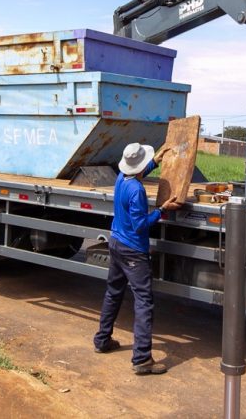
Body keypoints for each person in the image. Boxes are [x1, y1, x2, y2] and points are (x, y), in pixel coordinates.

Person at [93, 142, 181, 375]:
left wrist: (155, 161)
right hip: (133, 250)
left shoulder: (121, 178)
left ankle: (102, 340)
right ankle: (142, 359)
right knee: (143, 301)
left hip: (116, 242)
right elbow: (140, 225)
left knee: (113, 292)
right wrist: (162, 209)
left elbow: (137, 171)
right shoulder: (137, 191)